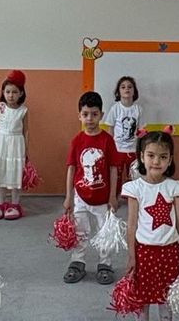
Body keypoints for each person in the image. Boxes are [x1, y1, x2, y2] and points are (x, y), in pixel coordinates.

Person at [122, 130, 179, 321]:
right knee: (142, 299)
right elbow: (132, 224)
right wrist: (131, 255)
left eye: (163, 157)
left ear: (170, 160)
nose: (156, 161)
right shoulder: (134, 188)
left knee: (166, 299)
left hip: (170, 252)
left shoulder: (175, 187)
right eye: (151, 155)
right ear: (141, 157)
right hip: (144, 253)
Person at [63, 91, 120, 285]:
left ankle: (105, 263)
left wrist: (113, 196)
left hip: (102, 198)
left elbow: (113, 169)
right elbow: (71, 169)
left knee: (104, 232)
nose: (90, 119)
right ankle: (77, 261)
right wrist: (68, 197)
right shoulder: (77, 141)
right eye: (85, 114)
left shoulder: (107, 140)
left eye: (94, 114)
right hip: (80, 197)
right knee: (81, 231)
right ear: (79, 115)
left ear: (101, 115)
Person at [0, 70, 29, 220]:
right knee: (1, 171)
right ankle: (0, 204)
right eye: (7, 92)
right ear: (3, 93)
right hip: (0, 144)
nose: (11, 95)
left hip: (16, 144)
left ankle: (14, 204)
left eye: (14, 92)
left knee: (14, 173)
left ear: (21, 93)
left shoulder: (23, 111)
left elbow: (26, 130)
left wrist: (26, 149)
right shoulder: (0, 107)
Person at [103, 75, 143, 197]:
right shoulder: (115, 108)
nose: (127, 89)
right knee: (117, 175)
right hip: (118, 149)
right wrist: (109, 148)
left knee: (134, 174)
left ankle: (132, 196)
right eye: (123, 87)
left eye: (130, 87)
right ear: (118, 91)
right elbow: (110, 129)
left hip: (133, 149)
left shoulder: (138, 109)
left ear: (134, 91)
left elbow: (141, 131)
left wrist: (140, 148)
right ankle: (115, 196)